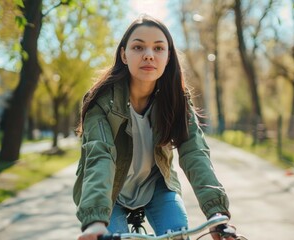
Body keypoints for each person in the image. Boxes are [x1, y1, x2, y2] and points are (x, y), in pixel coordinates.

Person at [74, 14, 233, 240]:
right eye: (138, 47)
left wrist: (216, 213)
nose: (149, 55)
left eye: (159, 48)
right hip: (108, 194)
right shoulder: (100, 101)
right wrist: (95, 220)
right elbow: (99, 156)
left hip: (157, 187)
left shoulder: (177, 99)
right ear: (124, 55)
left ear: (168, 57)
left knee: (177, 234)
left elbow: (194, 151)